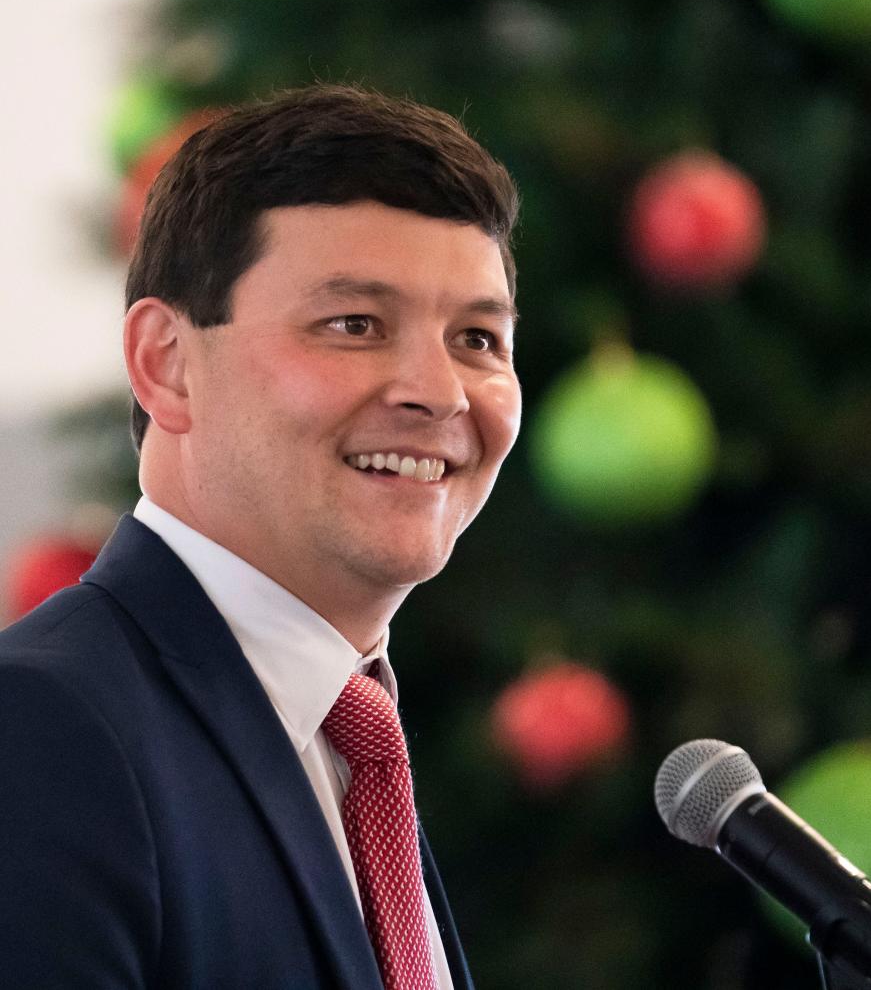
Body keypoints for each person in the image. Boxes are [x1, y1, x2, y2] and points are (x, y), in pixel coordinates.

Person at [0, 84, 522, 988]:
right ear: (166, 364)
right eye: (355, 324)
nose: (441, 394)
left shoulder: (358, 738)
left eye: (478, 339)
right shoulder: (41, 728)